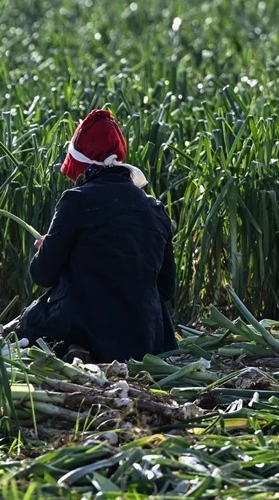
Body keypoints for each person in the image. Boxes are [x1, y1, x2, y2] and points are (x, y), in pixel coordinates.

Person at [9, 108, 177, 362]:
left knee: (28, 322)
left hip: (89, 328)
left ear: (81, 165)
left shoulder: (75, 201)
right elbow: (167, 287)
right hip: (147, 340)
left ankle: (77, 348)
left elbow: (42, 275)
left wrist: (50, 249)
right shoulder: (154, 208)